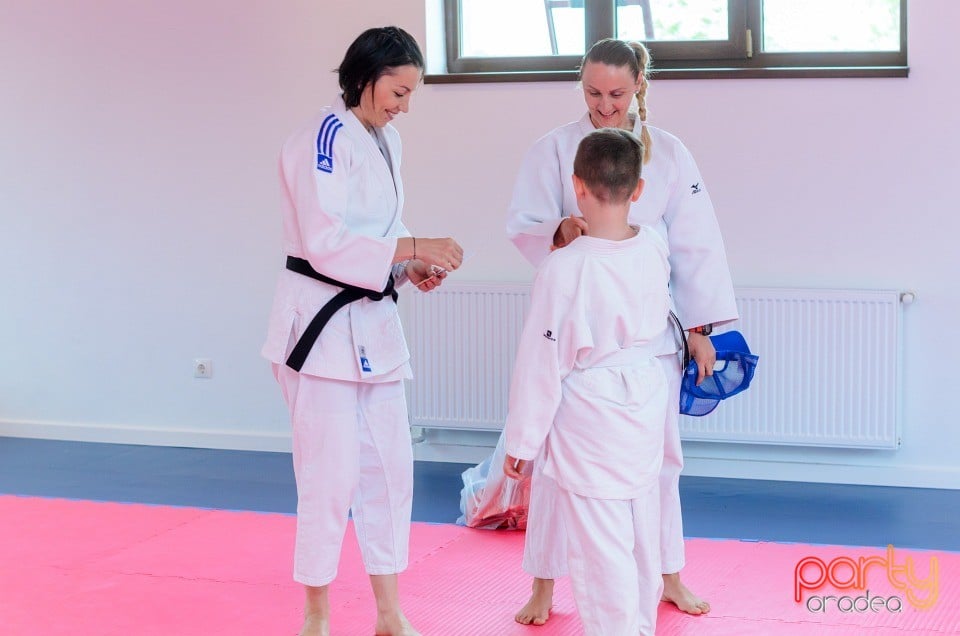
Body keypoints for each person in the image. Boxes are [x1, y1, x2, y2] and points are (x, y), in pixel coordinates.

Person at [505, 38, 738, 625]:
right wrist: (559, 231)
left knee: (660, 463)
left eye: (615, 93)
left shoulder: (671, 153)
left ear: (639, 84)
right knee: (558, 472)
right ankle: (542, 584)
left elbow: (697, 244)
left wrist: (701, 327)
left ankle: (670, 576)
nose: (604, 105)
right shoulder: (553, 149)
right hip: (582, 332)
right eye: (591, 92)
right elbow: (525, 225)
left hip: (649, 337)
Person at [260, 26, 463, 636]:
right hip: (319, 330)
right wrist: (414, 243)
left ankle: (388, 611)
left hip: (373, 326)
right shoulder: (320, 140)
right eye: (397, 91)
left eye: (410, 95)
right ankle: (316, 614)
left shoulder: (387, 140)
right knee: (327, 476)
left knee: (389, 469)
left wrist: (408, 265)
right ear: (365, 75)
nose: (403, 106)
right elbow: (327, 244)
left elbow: (383, 228)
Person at [503, 127, 671, 635]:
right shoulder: (654, 247)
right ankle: (640, 626)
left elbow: (541, 363)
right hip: (644, 398)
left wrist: (522, 442)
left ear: (577, 186)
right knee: (641, 528)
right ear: (637, 189)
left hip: (592, 410)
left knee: (602, 547)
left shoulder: (564, 268)